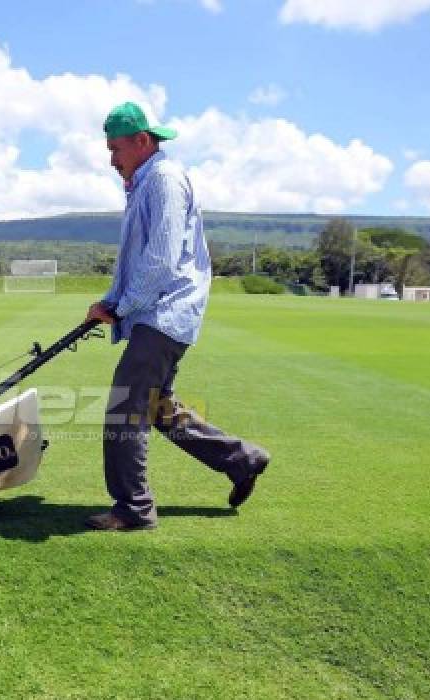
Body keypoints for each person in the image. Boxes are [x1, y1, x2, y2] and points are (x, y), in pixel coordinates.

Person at [83, 101, 270, 531]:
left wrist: (121, 307)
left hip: (165, 313)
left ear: (142, 141)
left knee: (124, 408)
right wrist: (109, 301)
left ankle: (133, 508)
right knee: (157, 408)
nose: (112, 160)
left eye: (116, 149)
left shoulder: (163, 181)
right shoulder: (144, 183)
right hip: (161, 315)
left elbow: (162, 261)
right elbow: (134, 260)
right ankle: (243, 460)